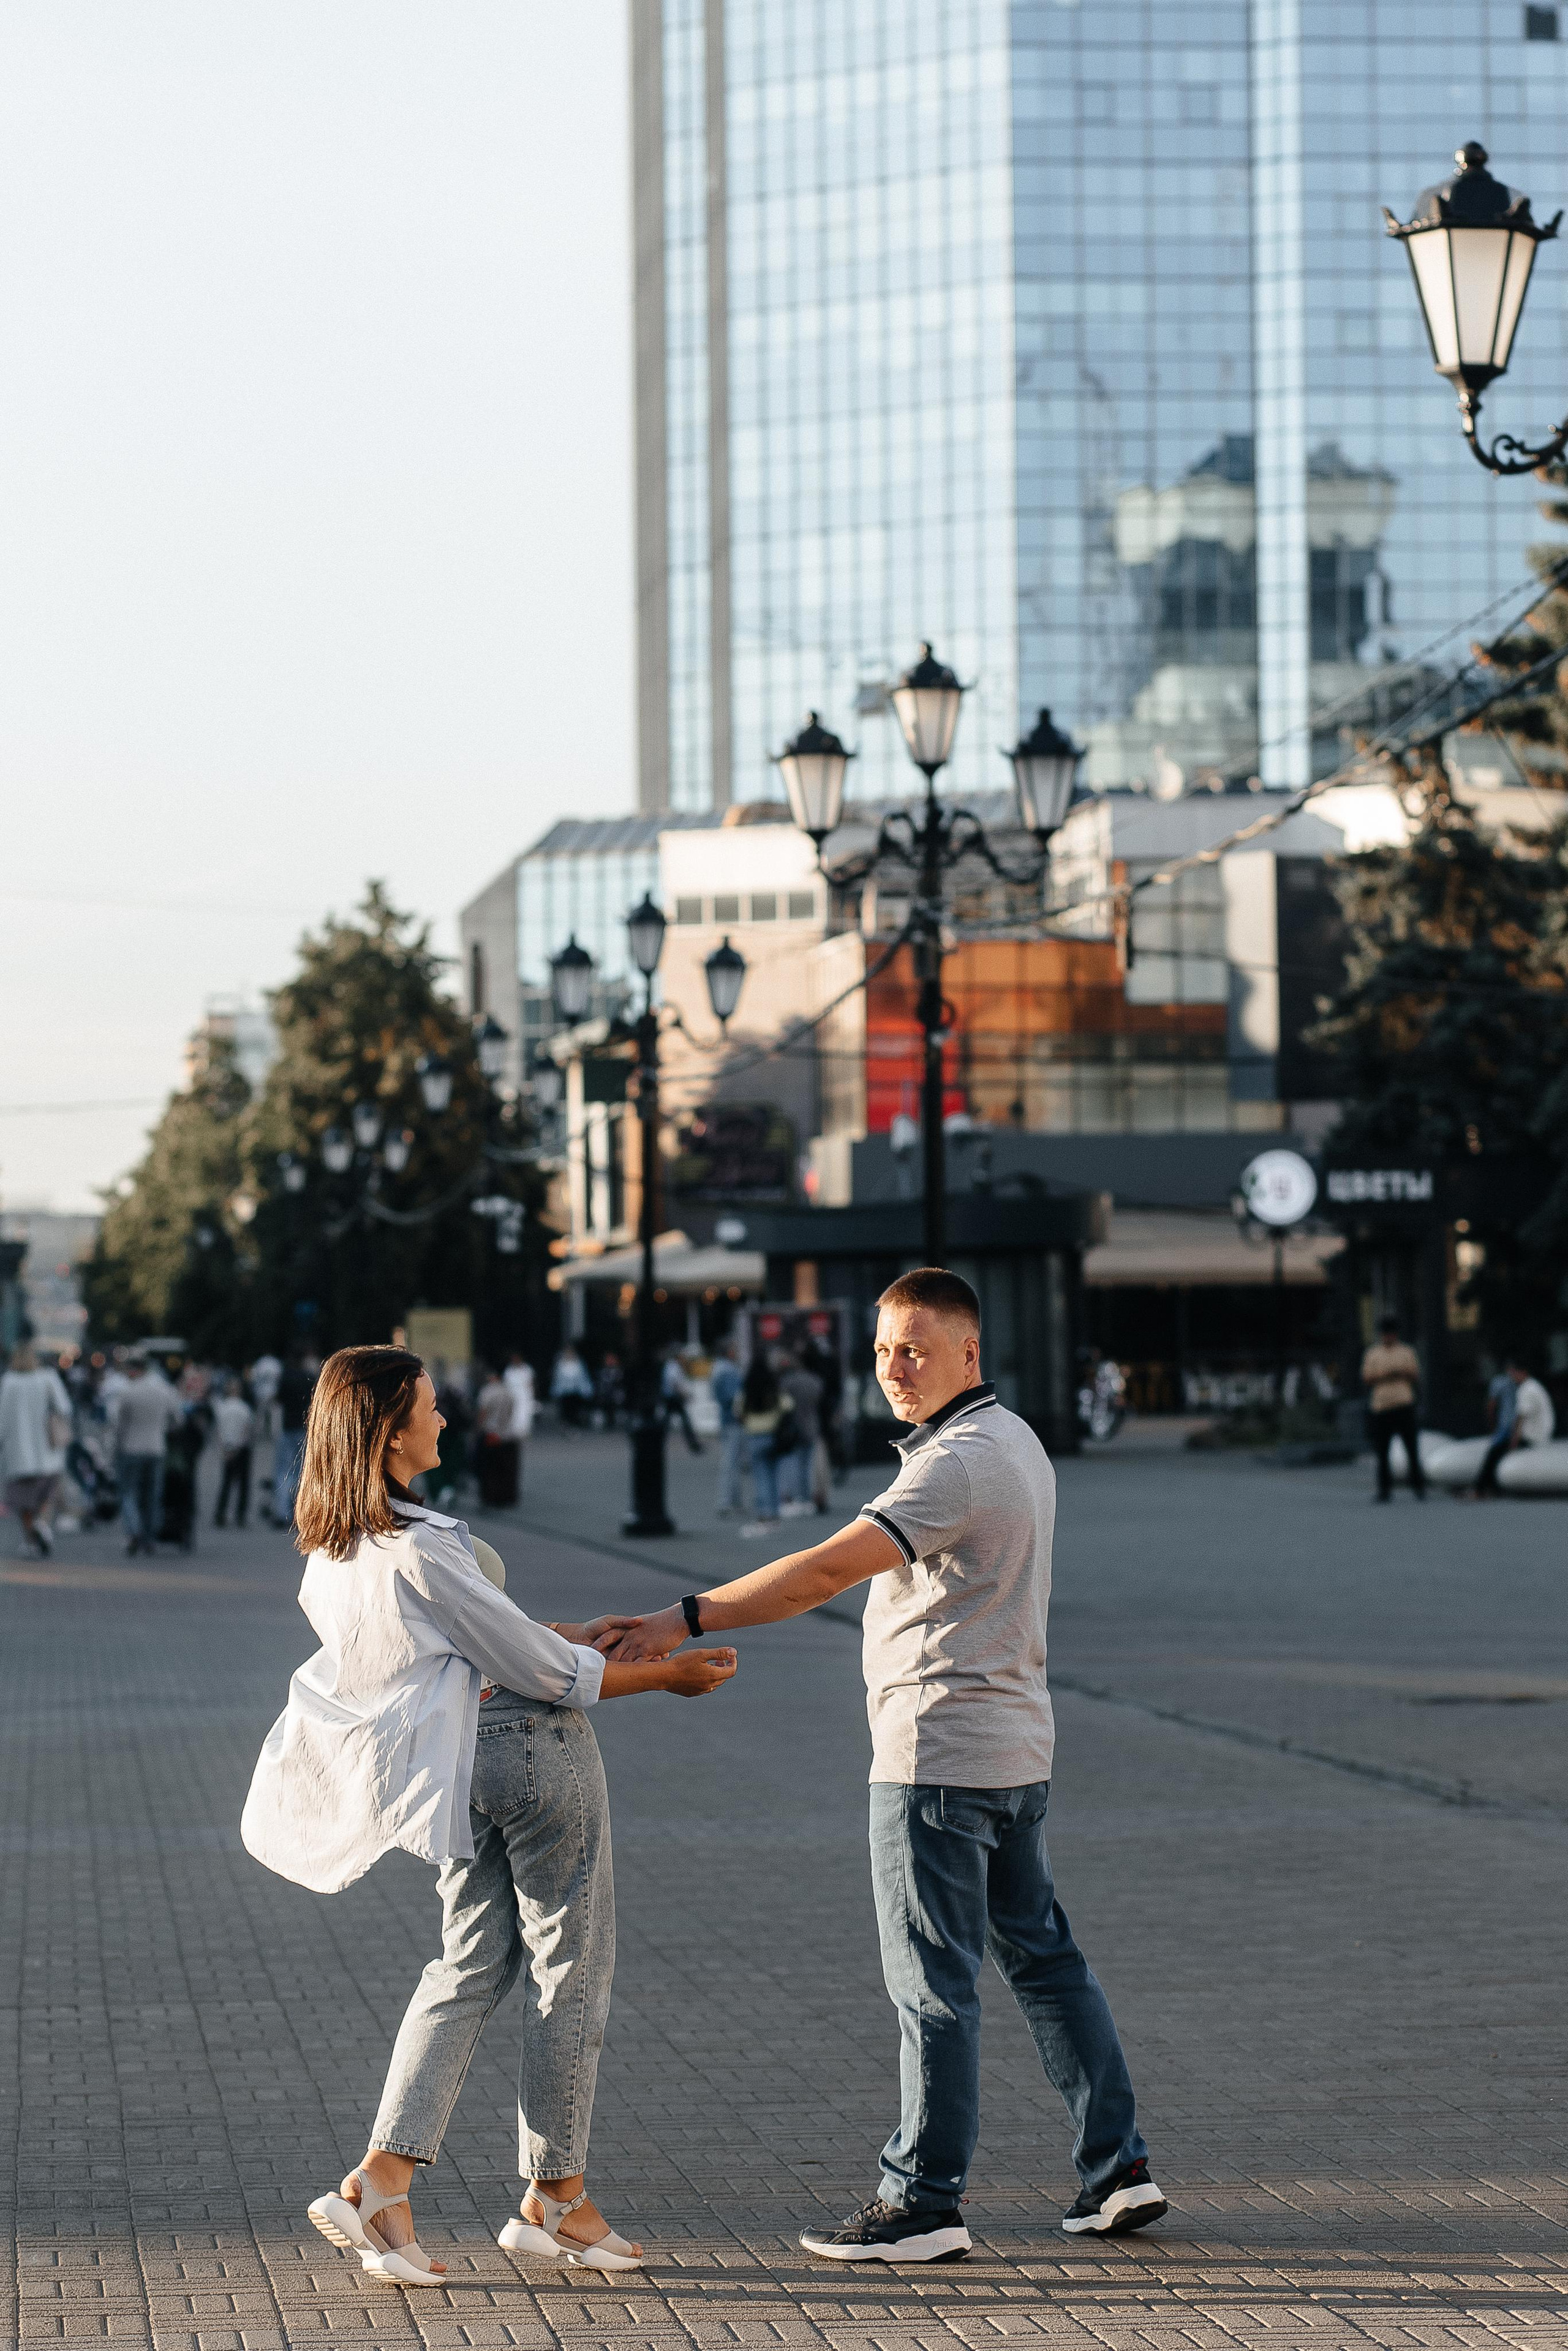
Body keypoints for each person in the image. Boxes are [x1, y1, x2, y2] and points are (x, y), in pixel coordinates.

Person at [607, 1266, 1165, 2262]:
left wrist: (682, 1615)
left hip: (937, 1761)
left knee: (934, 1985)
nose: (894, 1369)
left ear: (969, 1352)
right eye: (881, 1351)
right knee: (1044, 1962)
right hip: (1010, 1753)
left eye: (914, 1347)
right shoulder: (1016, 1442)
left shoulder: (954, 1462)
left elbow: (822, 1570)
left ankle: (922, 2199)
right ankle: (1117, 2169)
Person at [241, 1345, 737, 2285]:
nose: (444, 1419)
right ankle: (560, 2201)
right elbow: (547, 1679)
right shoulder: (425, 1545)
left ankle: (381, 2182)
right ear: (389, 1432)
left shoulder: (337, 1550)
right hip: (531, 1751)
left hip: (457, 1768)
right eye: (429, 1407)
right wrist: (662, 1672)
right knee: (571, 1969)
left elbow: (464, 1644)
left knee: (468, 1963)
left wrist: (570, 1630)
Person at [0, 1341, 73, 1557]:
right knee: (46, 1495)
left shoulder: (9, 1381)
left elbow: (2, 1419)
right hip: (48, 1450)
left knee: (24, 1499)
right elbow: (65, 1407)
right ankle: (42, 1524)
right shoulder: (47, 1377)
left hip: (18, 1452)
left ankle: (30, 1537)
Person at [113, 1351, 184, 1556]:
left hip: (131, 1447)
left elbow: (119, 1425)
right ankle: (150, 1537)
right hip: (156, 1447)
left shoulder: (128, 1392)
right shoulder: (164, 1390)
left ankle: (134, 1530)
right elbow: (177, 1420)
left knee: (129, 1492)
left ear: (134, 1370)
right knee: (153, 1495)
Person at [1360, 1315, 1425, 1503]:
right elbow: (1367, 1379)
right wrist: (1386, 1375)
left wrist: (1401, 1373)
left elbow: (1415, 1375)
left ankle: (1418, 1487)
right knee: (1383, 1451)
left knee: (1412, 1448)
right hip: (1381, 1406)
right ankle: (1384, 1490)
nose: (1388, 1337)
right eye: (1385, 1334)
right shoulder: (1373, 1354)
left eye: (1390, 1334)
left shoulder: (1406, 1351)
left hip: (1404, 1404)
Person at [1476, 1356, 1557, 1496]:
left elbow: (1521, 1419)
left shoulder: (1527, 1389)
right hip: (1540, 1435)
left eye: (1514, 1374)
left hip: (1533, 1437)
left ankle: (1481, 1490)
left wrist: (1514, 1442)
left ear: (1522, 1373)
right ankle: (1489, 1488)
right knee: (1497, 1451)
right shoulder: (1534, 1386)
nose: (1512, 1377)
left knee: (1495, 1451)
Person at [737, 1351, 786, 1536]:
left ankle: (764, 1514)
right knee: (773, 1476)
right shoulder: (772, 1384)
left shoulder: (749, 1386)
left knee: (760, 1478)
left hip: (754, 1435)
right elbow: (786, 1405)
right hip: (772, 1434)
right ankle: (774, 1513)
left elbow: (739, 1409)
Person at [777, 1349, 827, 1517]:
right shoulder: (814, 1381)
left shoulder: (787, 1382)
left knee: (793, 1464)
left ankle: (795, 1497)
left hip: (794, 1427)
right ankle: (807, 1498)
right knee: (808, 1466)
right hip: (811, 1425)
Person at [273, 1353, 318, 1527]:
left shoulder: (286, 1378)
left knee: (284, 1471)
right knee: (302, 1471)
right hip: (303, 1427)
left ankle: (282, 1512)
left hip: (287, 1426)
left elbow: (279, 1400)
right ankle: (300, 1511)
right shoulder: (308, 1378)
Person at [474, 1365, 521, 1510]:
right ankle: (506, 1497)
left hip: (491, 1434)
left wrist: (477, 1429)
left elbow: (483, 1413)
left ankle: (490, 1497)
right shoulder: (508, 1392)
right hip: (508, 1435)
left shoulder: (487, 1392)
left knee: (490, 1470)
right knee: (507, 1469)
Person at [709, 1340, 746, 1519]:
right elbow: (735, 1399)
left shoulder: (718, 1369)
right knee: (731, 1463)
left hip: (727, 1421)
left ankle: (733, 1500)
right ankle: (727, 1501)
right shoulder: (729, 1371)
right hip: (734, 1421)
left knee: (731, 1461)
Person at [213, 1377, 257, 1528]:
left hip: (227, 1447)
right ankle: (241, 1514)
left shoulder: (222, 1407)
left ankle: (220, 1513)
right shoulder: (245, 1408)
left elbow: (218, 1430)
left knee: (226, 1482)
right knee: (243, 1483)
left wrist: (223, 1448)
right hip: (242, 1448)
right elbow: (248, 1430)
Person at [503, 1353, 538, 1493]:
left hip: (524, 1395)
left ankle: (523, 1431)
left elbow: (531, 1383)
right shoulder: (509, 1371)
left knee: (524, 1414)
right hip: (514, 1395)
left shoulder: (527, 1370)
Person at [661, 1351, 703, 1454]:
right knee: (684, 1421)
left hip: (671, 1398)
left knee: (668, 1422)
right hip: (673, 1398)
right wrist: (685, 1395)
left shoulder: (670, 1366)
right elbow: (674, 1383)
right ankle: (693, 1444)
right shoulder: (673, 1367)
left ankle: (693, 1444)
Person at [551, 1344, 593, 1431]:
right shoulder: (560, 1364)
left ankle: (574, 1424)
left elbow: (583, 1377)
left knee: (575, 1409)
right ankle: (567, 1424)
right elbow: (557, 1378)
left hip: (575, 1391)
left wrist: (586, 1390)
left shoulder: (579, 1363)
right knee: (565, 1409)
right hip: (564, 1392)